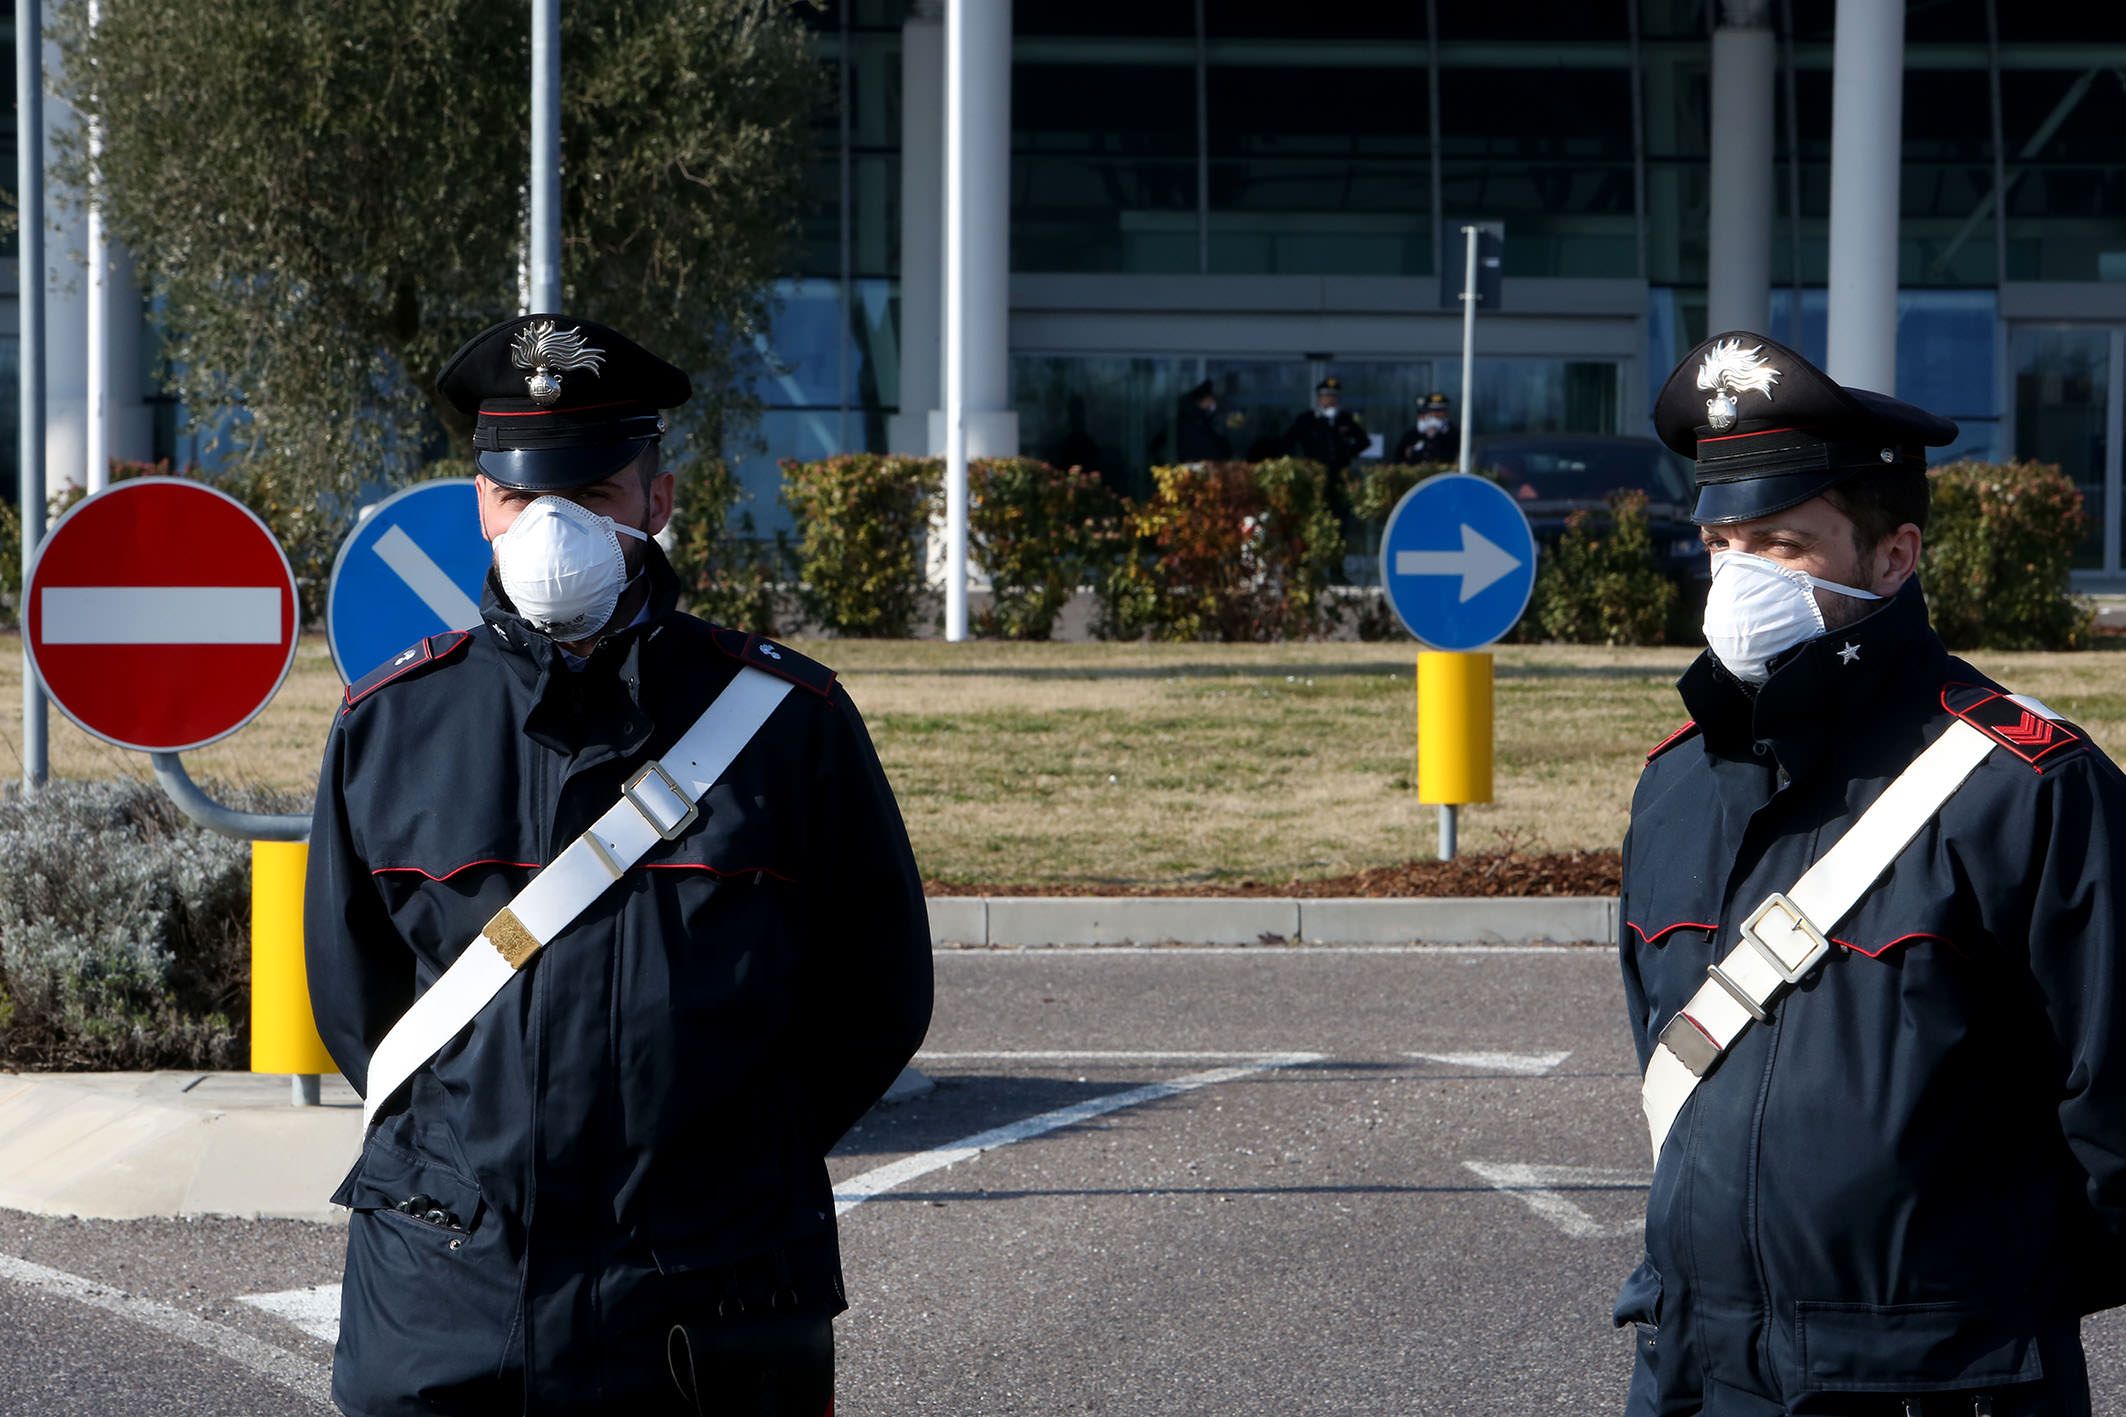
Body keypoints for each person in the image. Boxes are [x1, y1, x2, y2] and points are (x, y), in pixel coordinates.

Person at [305, 313, 933, 1416]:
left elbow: (875, 996)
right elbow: (357, 1002)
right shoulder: (390, 724)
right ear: (482, 505)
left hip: (714, 1295)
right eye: (521, 496)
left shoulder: (788, 724)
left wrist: (727, 1160)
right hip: (445, 1294)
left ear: (657, 500)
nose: (552, 527)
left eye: (589, 494)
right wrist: (467, 1167)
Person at [1614, 330, 2126, 1416]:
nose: (1740, 578)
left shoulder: (2024, 785)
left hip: (1938, 1384)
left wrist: (1973, 1312)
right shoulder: (1671, 787)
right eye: (1721, 544)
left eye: (1785, 545)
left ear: (1891, 558)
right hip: (1696, 1375)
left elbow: (2116, 1115)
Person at [1282, 375, 1369, 475]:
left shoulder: (1344, 418)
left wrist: (1347, 454)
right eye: (1326, 396)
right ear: (1319, 398)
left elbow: (1364, 441)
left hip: (1338, 470)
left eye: (1333, 396)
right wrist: (1301, 460)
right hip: (1313, 470)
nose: (1330, 399)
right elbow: (1289, 441)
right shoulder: (1307, 419)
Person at [1175, 378, 1233, 462]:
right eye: (1211, 398)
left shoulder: (1200, 419)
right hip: (1196, 464)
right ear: (1204, 400)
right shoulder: (1196, 421)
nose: (1212, 402)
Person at [1392, 392, 1456, 464]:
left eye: (1439, 411)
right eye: (1431, 411)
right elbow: (1400, 458)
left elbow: (1448, 457)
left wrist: (1433, 438)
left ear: (1446, 413)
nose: (1435, 415)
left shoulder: (1453, 433)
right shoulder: (1412, 434)